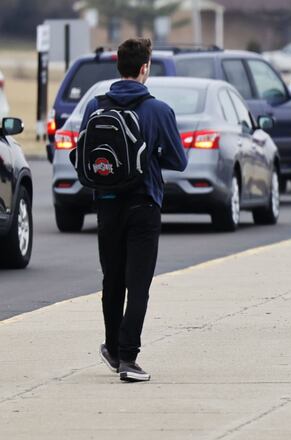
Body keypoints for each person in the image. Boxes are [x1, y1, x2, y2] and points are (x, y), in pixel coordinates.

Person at [79, 38, 187, 382]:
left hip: (106, 203)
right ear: (144, 68)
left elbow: (83, 153)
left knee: (112, 280)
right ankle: (129, 357)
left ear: (118, 66)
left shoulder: (95, 106)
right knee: (138, 283)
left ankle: (112, 347)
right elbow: (179, 161)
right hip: (145, 203)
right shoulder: (158, 110)